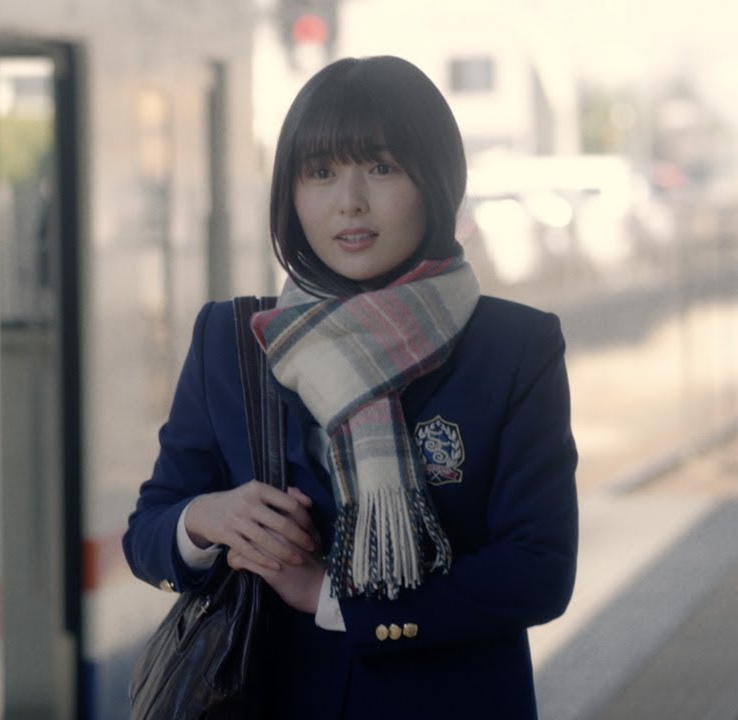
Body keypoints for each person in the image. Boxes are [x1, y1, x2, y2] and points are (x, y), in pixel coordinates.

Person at [122, 55, 578, 719]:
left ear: (437, 180)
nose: (350, 200)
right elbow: (147, 533)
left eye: (383, 167)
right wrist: (206, 519)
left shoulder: (513, 347)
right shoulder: (232, 340)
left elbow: (539, 571)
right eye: (321, 172)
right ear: (290, 192)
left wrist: (332, 598)